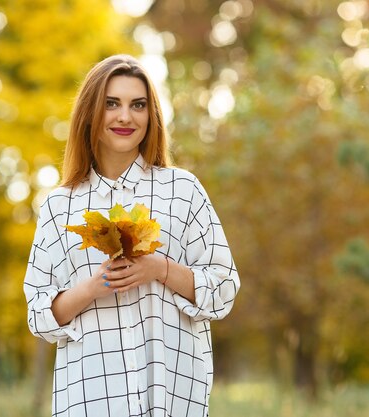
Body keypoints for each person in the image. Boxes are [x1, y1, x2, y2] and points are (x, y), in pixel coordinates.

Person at [23, 54, 240, 417]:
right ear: (91, 112)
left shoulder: (182, 190)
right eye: (112, 104)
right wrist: (91, 288)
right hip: (91, 400)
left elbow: (224, 289)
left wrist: (160, 269)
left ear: (150, 115)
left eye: (137, 105)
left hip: (173, 397)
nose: (125, 116)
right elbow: (39, 315)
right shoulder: (60, 206)